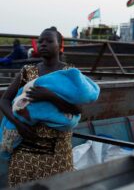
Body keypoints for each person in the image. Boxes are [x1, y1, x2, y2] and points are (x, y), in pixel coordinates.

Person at [0, 27, 82, 187]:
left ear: (60, 45)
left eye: (49, 41)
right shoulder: (27, 71)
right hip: (24, 150)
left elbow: (78, 109)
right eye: (40, 41)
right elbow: (4, 100)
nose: (43, 44)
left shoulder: (69, 73)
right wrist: (19, 125)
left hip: (57, 152)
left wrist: (49, 96)